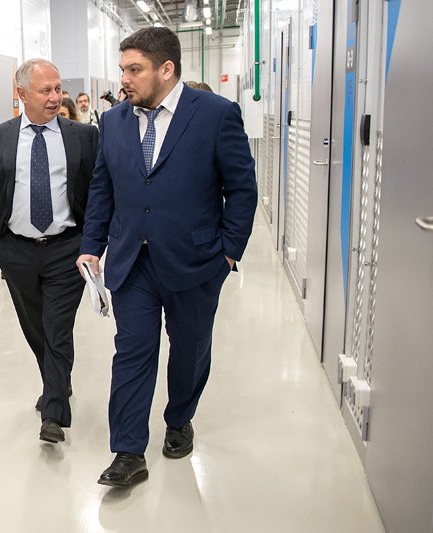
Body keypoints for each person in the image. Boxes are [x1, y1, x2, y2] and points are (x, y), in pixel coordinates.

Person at [78, 27, 257, 488]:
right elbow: (102, 188)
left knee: (190, 349)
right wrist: (91, 246)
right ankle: (128, 451)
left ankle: (179, 418)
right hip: (131, 260)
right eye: (122, 69)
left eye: (134, 69)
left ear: (166, 69)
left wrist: (228, 254)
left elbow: (241, 189)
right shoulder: (113, 121)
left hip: (196, 261)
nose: (124, 79)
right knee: (132, 351)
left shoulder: (215, 114)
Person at [0, 59, 98, 444]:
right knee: (35, 329)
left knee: (57, 328)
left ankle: (53, 412)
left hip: (67, 248)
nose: (54, 97)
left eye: (58, 89)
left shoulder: (83, 136)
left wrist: (93, 243)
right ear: (22, 94)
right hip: (17, 250)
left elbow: (97, 192)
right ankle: (57, 381)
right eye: (45, 90)